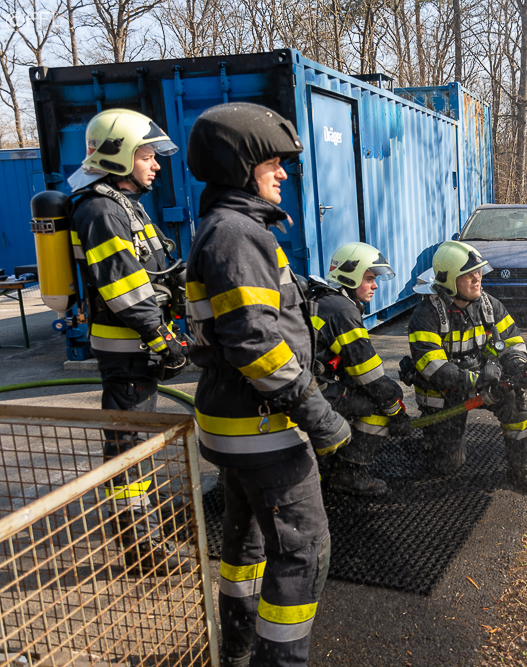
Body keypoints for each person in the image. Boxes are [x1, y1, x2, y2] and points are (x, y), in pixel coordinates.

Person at [184, 102, 352, 667]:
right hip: (264, 430)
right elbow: (255, 343)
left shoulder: (221, 227)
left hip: (233, 427)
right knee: (303, 552)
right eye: (272, 163)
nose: (282, 173)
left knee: (246, 545)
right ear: (240, 165)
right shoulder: (238, 233)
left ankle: (236, 652)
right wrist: (319, 415)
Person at [68, 108, 190, 574]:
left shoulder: (124, 204)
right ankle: (140, 548)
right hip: (127, 347)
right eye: (146, 155)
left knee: (138, 440)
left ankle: (146, 533)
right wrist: (161, 339)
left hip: (138, 342)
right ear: (118, 156)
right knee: (128, 445)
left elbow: (157, 267)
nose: (155, 165)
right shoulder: (100, 210)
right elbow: (123, 288)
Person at [406, 240, 527, 495]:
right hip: (444, 393)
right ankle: (431, 443)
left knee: (514, 401)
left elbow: (512, 342)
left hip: (483, 383)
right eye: (468, 274)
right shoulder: (426, 315)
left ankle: (522, 470)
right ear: (449, 281)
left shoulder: (490, 306)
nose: (477, 278)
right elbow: (433, 368)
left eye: (478, 271)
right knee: (446, 466)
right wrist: (477, 380)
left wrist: (518, 366)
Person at [308, 242, 411, 496]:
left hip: (300, 389)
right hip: (311, 393)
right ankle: (349, 473)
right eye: (369, 279)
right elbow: (371, 376)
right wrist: (396, 410)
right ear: (350, 278)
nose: (375, 286)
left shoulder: (324, 300)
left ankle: (327, 463)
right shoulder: (342, 311)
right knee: (378, 403)